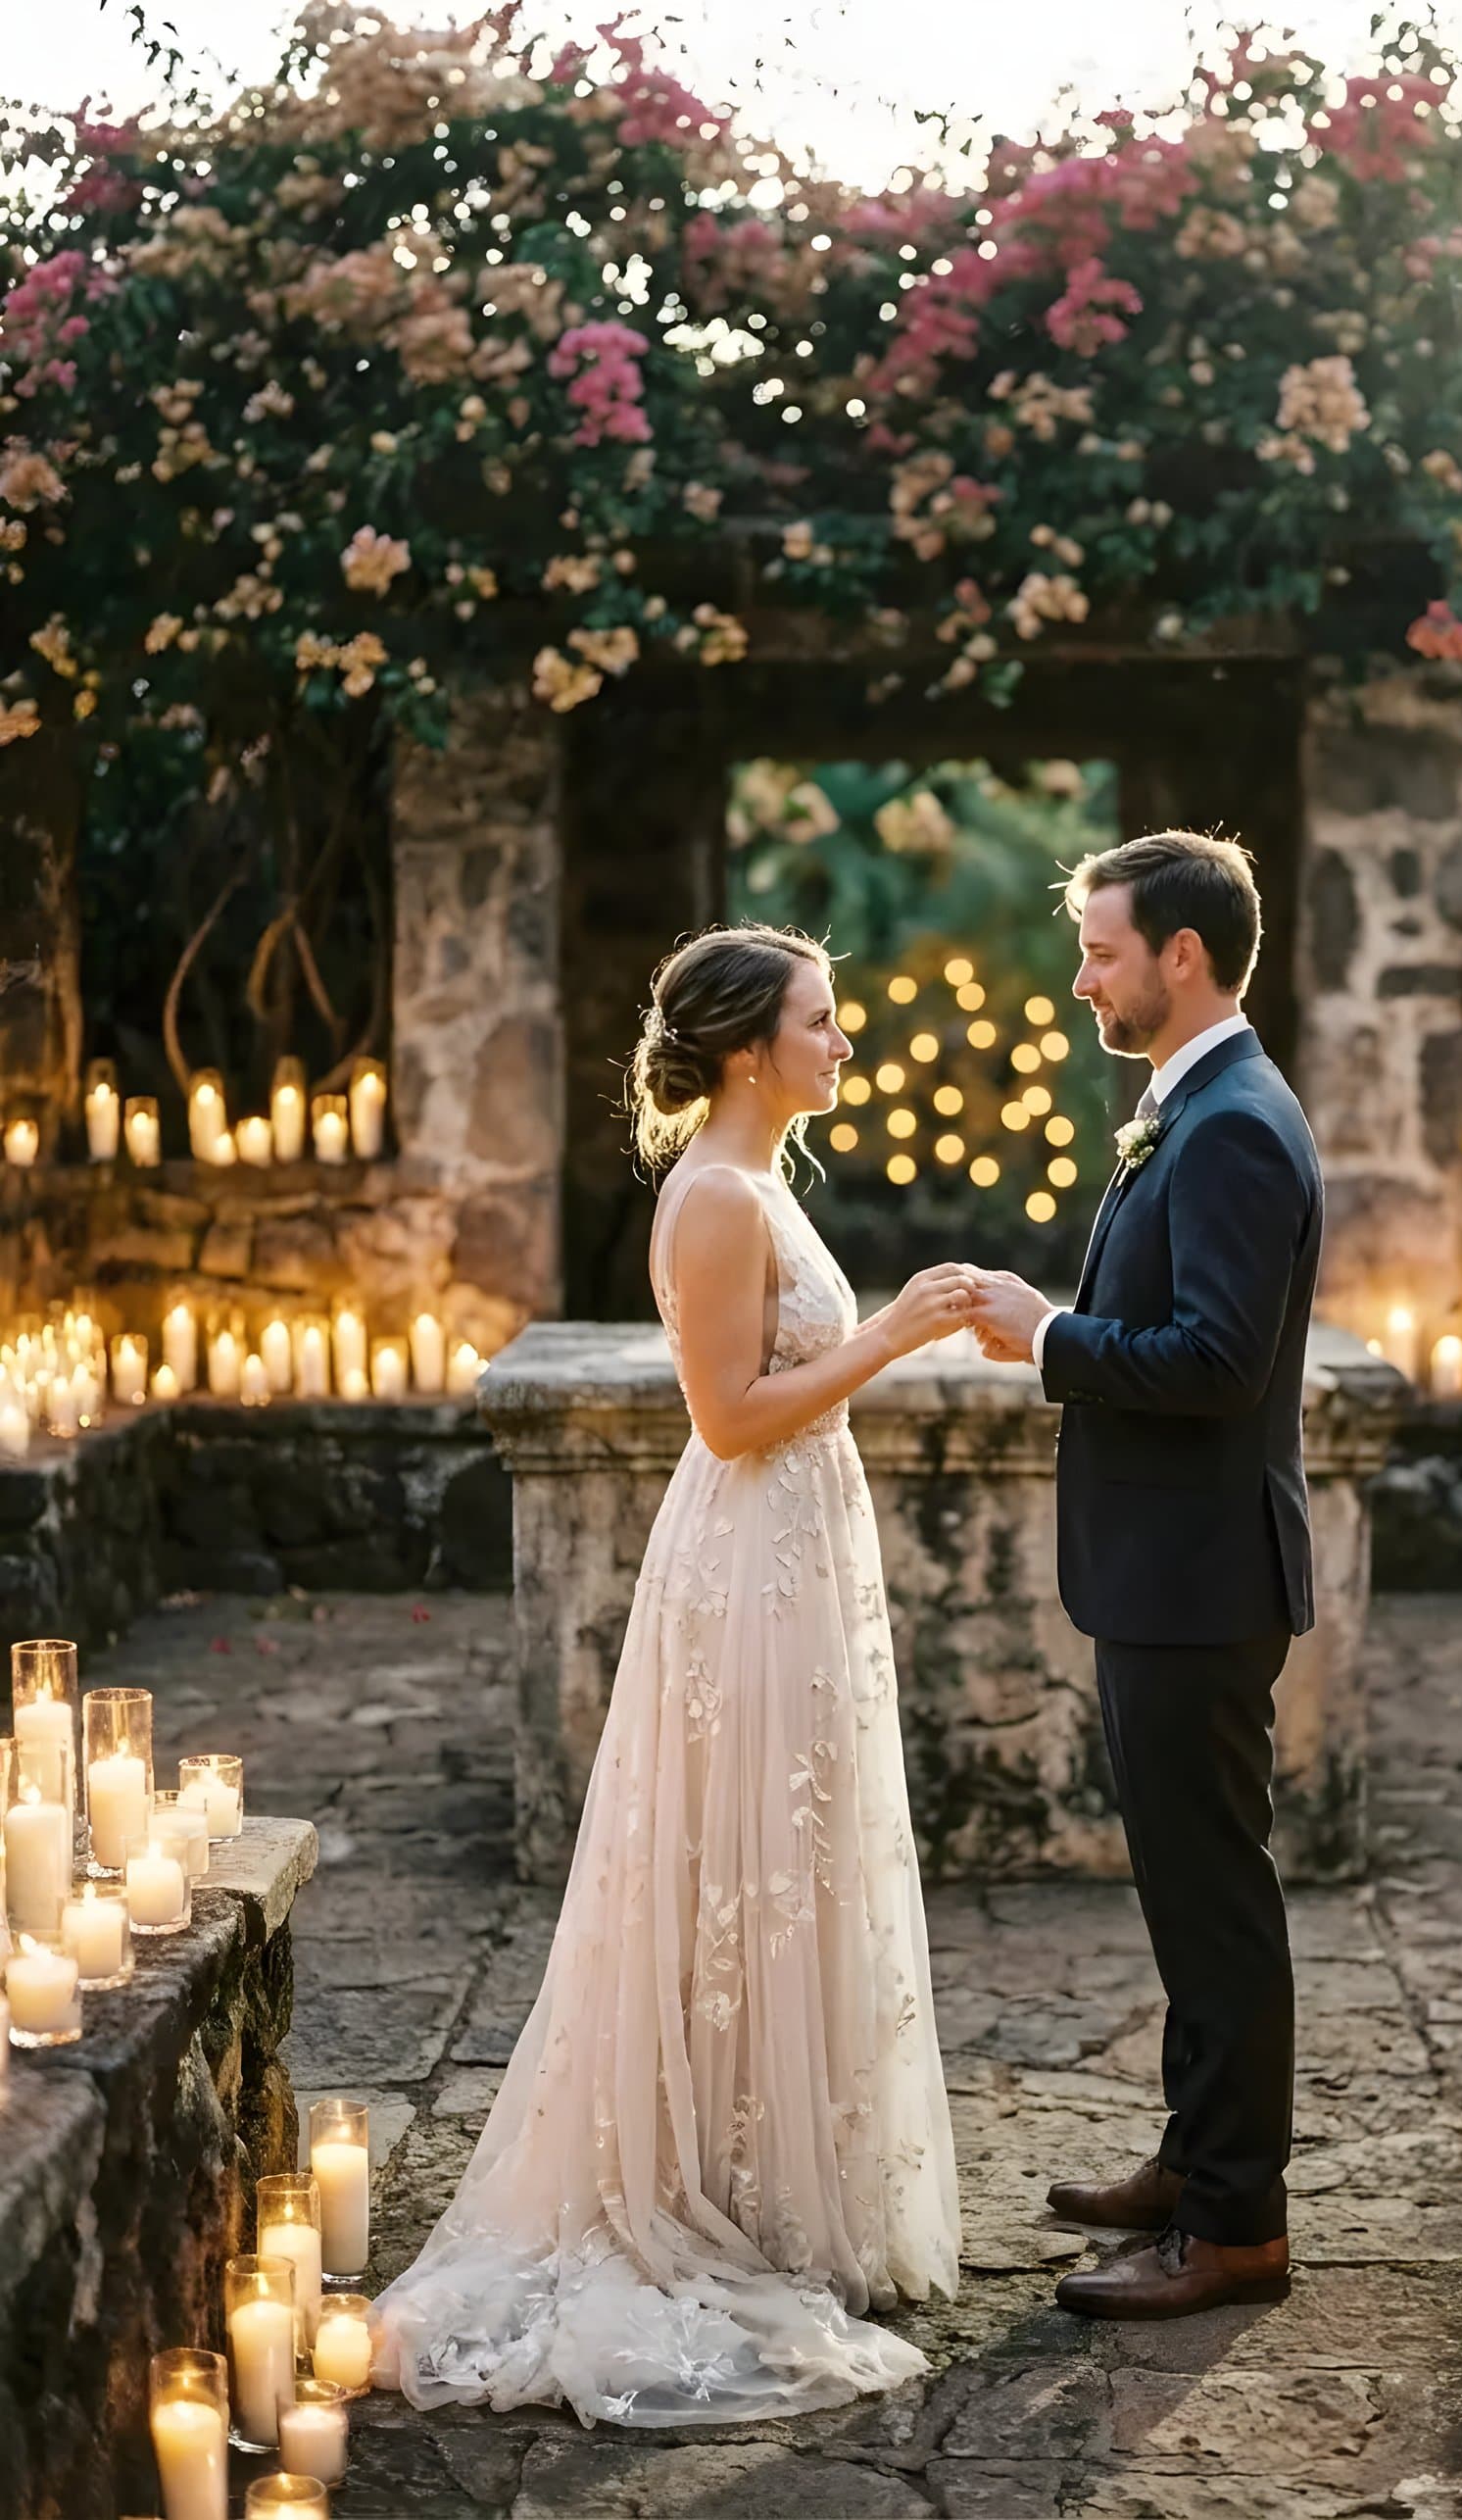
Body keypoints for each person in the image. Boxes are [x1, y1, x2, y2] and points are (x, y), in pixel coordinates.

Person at [371, 923, 963, 2423]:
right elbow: (727, 1414)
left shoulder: (762, 1183)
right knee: (732, 1858)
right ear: (751, 1047)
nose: (842, 1045)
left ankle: (779, 2185)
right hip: (747, 1555)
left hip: (798, 1551)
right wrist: (892, 1334)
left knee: (792, 1855)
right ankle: (707, 2193)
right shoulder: (712, 1197)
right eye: (822, 1023)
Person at [969, 829, 1324, 2320]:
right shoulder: (1192, 1104)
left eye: (1103, 951)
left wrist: (1042, 1335)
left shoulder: (1234, 1122)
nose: (1083, 977)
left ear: (1184, 956)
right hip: (1162, 1572)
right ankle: (1194, 2161)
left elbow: (1218, 1363)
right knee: (1188, 1898)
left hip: (1197, 1580)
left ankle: (1237, 2226)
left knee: (1218, 1902)